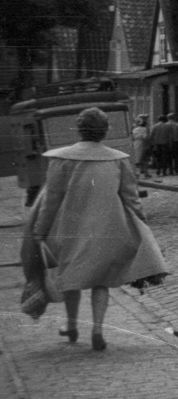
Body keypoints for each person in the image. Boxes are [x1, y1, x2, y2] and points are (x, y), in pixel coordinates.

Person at [27, 107, 168, 351]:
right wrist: (142, 223)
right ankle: (98, 330)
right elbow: (131, 198)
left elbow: (51, 201)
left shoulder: (61, 159)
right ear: (105, 131)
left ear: (79, 129)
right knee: (101, 281)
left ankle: (72, 326)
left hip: (69, 228)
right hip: (108, 228)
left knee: (72, 277)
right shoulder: (118, 160)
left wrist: (40, 231)